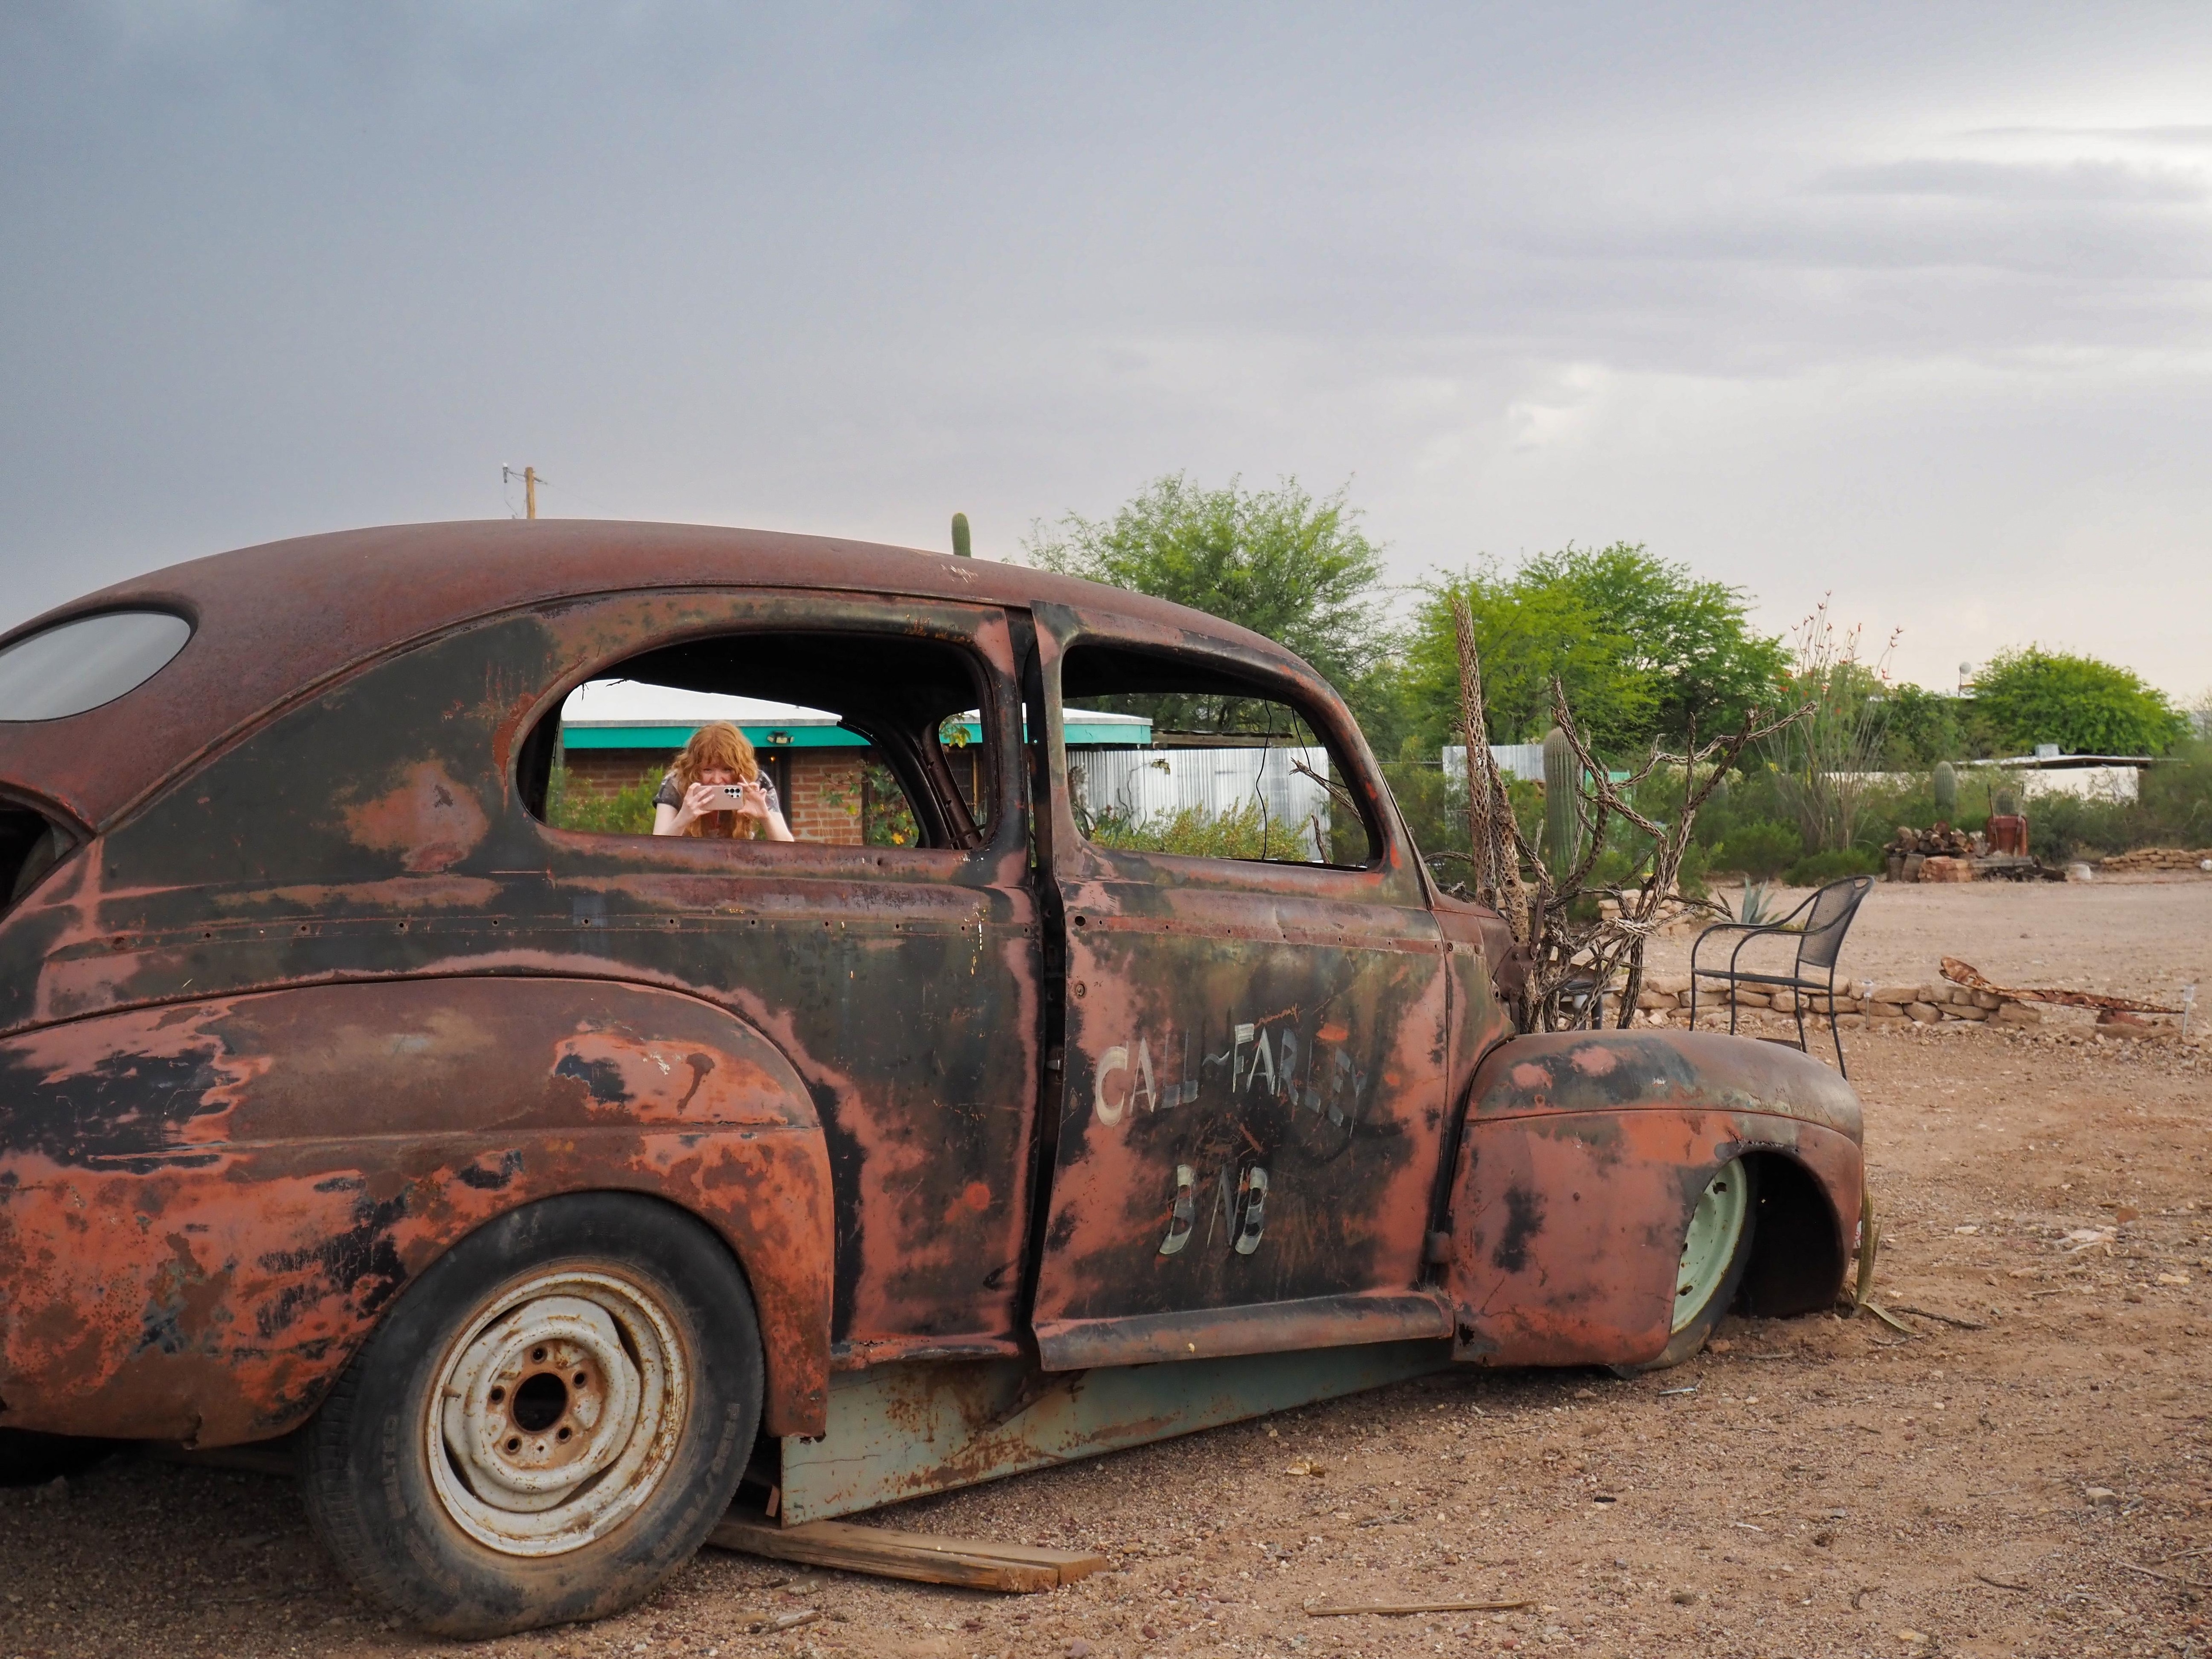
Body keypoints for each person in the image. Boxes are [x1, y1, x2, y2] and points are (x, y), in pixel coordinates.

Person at [651, 722, 794, 841]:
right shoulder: (677, 782)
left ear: (739, 769)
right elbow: (657, 847)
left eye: (727, 770)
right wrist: (682, 819)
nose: (717, 780)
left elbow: (788, 847)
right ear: (694, 769)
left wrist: (766, 817)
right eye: (708, 770)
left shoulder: (755, 782)